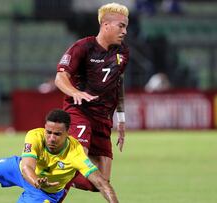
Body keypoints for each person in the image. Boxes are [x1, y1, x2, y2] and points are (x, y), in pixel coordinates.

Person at [0, 109, 119, 203]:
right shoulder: (34, 135)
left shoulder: (75, 152)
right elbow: (27, 166)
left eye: (57, 134)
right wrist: (36, 181)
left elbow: (102, 183)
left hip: (45, 193)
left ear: (68, 133)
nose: (51, 138)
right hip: (22, 171)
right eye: (48, 132)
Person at [55, 2, 129, 195]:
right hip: (80, 112)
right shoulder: (83, 47)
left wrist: (121, 118)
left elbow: (117, 84)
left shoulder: (122, 53)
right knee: (77, 162)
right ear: (106, 25)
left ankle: (54, 171)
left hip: (102, 120)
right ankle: (44, 179)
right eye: (121, 26)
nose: (125, 31)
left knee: (99, 184)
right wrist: (75, 92)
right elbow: (60, 77)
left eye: (126, 27)